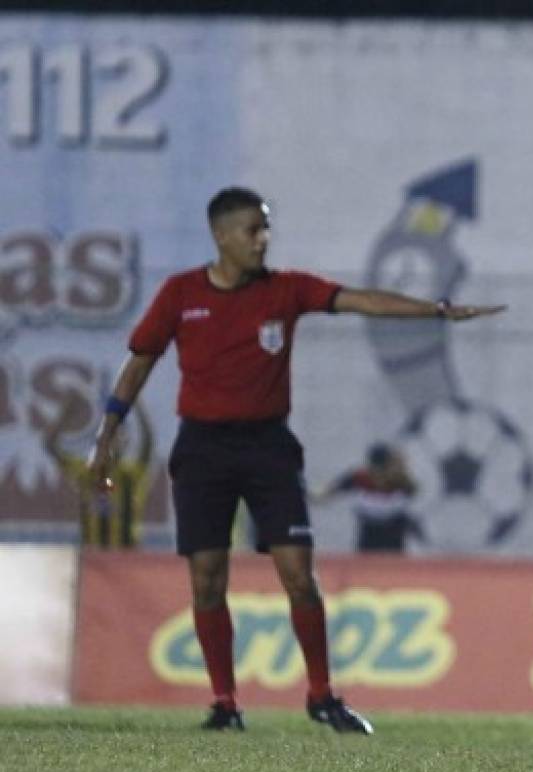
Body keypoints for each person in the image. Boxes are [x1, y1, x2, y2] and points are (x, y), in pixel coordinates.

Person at [86, 186, 503, 733]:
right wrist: (107, 433)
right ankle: (225, 704)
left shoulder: (286, 290)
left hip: (269, 448)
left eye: (266, 229)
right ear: (221, 236)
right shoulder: (180, 293)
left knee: (298, 575)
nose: (263, 240)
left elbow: (362, 299)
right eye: (252, 230)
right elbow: (140, 361)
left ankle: (322, 696)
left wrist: (437, 311)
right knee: (208, 579)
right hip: (204, 449)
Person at [44, 399, 155, 550]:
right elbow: (50, 446)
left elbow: (148, 447)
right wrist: (63, 416)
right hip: (94, 559)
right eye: (109, 438)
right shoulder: (87, 473)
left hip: (126, 558)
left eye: (118, 437)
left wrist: (139, 409)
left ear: (125, 443)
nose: (113, 442)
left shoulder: (129, 475)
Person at [312, 442, 419, 552]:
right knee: (366, 560)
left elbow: (413, 490)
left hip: (393, 531)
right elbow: (329, 491)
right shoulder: (359, 478)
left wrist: (400, 471)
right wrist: (314, 495)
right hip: (369, 531)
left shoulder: (400, 480)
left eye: (383, 470)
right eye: (375, 470)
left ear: (389, 466)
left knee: (394, 563)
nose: (378, 475)